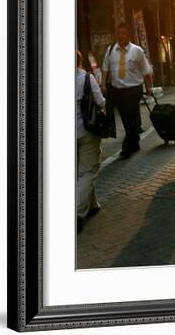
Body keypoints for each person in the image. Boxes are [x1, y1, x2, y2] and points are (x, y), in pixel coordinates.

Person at [101, 22, 153, 159]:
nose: (121, 36)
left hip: (133, 90)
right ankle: (134, 143)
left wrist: (149, 87)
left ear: (129, 34)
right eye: (119, 33)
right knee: (126, 118)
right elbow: (105, 68)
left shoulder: (137, 51)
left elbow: (145, 71)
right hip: (117, 90)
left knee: (130, 117)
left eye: (124, 33)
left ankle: (126, 148)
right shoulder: (111, 49)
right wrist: (103, 84)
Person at [76, 50, 105, 233]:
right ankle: (77, 213)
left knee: (78, 171)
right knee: (87, 171)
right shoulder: (86, 78)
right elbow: (100, 101)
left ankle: (92, 204)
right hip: (86, 130)